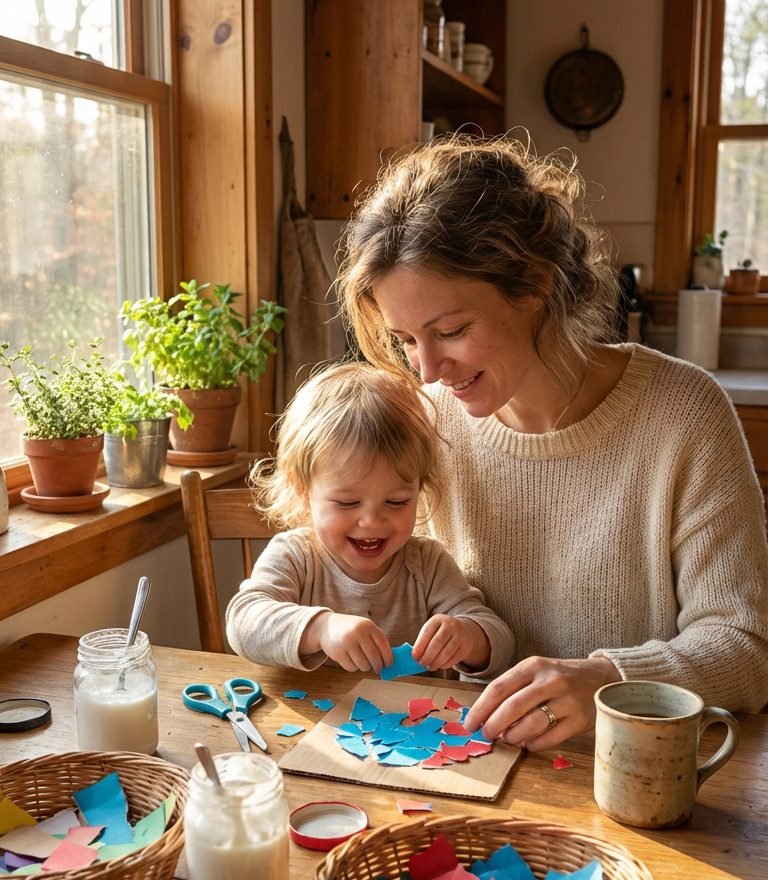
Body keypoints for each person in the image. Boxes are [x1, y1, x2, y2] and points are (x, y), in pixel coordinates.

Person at [337, 133, 768, 750]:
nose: (427, 371)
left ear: (534, 285)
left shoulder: (684, 415)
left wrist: (609, 680)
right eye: (406, 340)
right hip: (470, 767)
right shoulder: (425, 422)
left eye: (451, 330)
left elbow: (745, 650)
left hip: (632, 778)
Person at [225, 361, 515, 678]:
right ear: (303, 490)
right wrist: (321, 628)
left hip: (409, 712)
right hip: (309, 712)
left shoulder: (427, 564)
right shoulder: (296, 556)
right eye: (348, 502)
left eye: (397, 501)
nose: (372, 522)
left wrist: (468, 637)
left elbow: (500, 641)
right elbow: (243, 622)